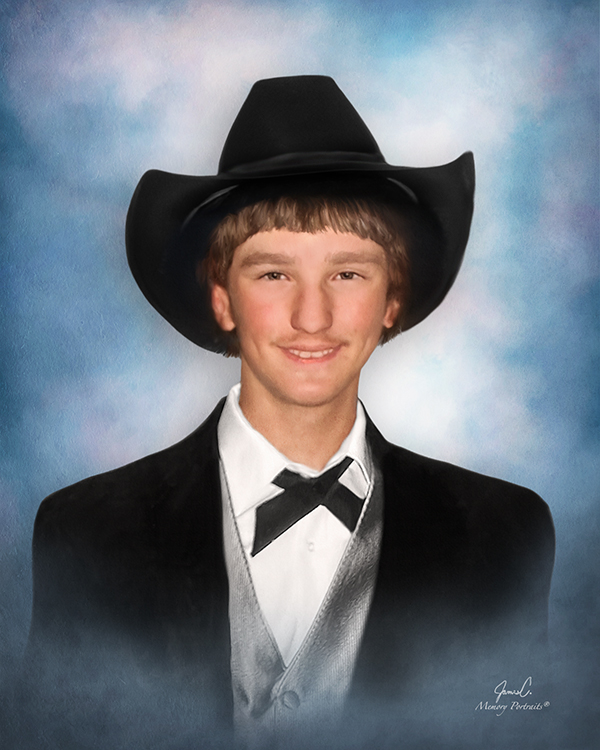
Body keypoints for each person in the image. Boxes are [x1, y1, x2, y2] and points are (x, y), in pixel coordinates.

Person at [26, 76, 555, 750]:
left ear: (392, 300)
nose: (313, 316)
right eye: (274, 273)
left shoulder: (504, 536)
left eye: (348, 273)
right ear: (222, 300)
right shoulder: (86, 535)